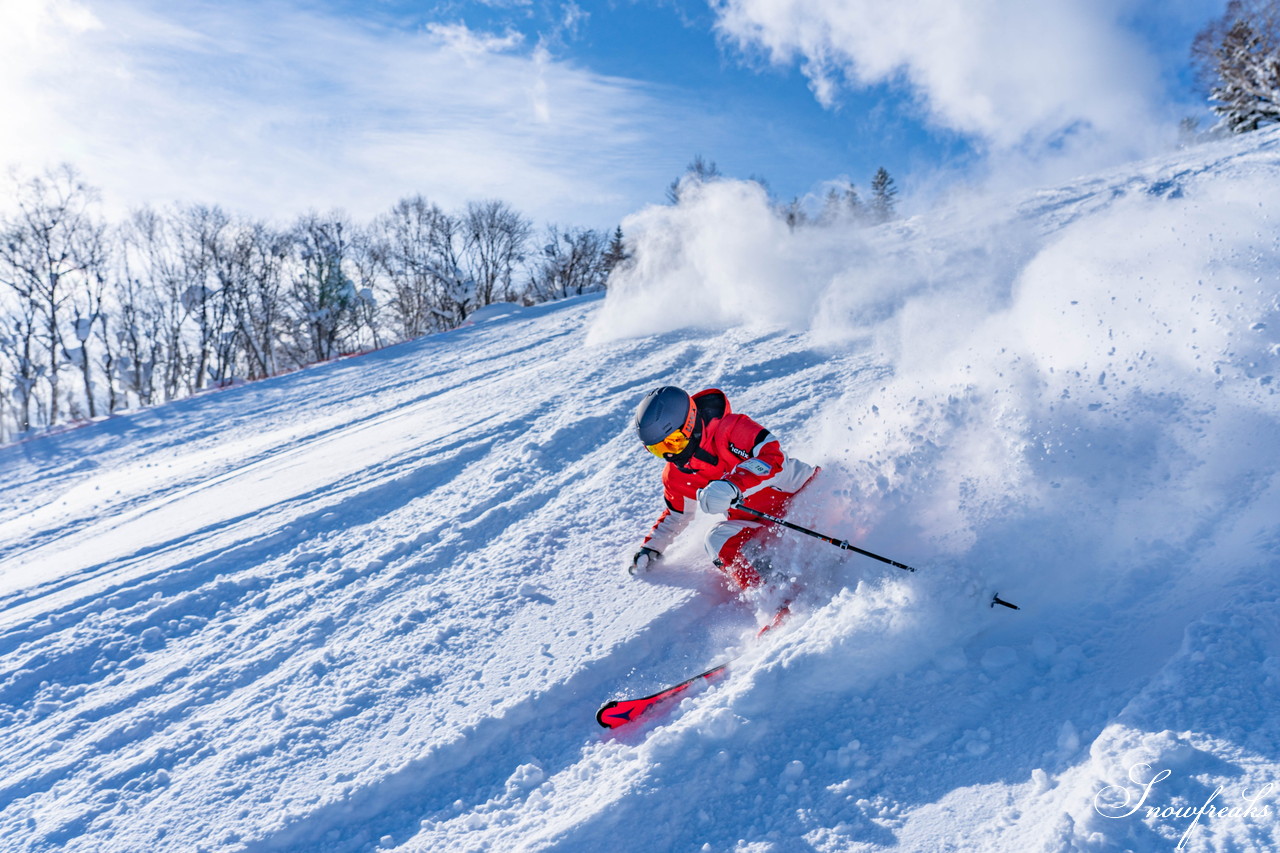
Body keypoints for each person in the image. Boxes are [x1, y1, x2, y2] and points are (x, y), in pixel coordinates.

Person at [629, 386, 816, 590]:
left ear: (690, 423)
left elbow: (772, 457)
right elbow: (676, 514)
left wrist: (733, 484)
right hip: (762, 525)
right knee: (715, 541)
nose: (670, 455)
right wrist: (652, 547)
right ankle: (775, 593)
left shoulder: (731, 429)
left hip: (804, 496)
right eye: (659, 450)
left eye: (674, 442)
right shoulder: (676, 475)